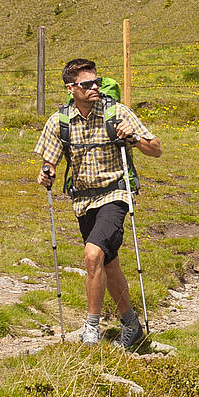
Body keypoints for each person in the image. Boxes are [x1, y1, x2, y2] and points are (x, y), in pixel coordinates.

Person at [36, 57, 161, 347]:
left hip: (115, 194)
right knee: (109, 263)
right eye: (87, 84)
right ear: (71, 88)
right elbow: (49, 161)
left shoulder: (117, 113)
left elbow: (156, 149)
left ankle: (90, 329)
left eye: (97, 82)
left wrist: (133, 138)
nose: (95, 87)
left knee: (93, 255)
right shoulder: (60, 121)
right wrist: (47, 174)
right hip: (82, 200)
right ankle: (131, 325)